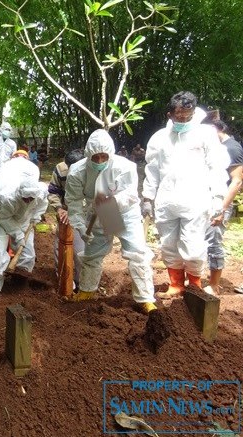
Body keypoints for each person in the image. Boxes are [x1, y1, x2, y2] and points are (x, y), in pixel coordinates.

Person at [142, 91, 230, 298]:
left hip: (195, 200)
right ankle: (176, 284)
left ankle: (194, 285)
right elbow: (152, 169)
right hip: (166, 201)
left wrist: (218, 201)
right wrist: (148, 198)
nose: (182, 119)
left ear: (193, 113)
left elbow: (216, 168)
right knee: (168, 245)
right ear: (169, 114)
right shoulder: (160, 138)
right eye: (178, 116)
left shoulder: (205, 134)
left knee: (193, 247)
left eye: (187, 116)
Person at [65, 129, 157, 313]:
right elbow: (73, 201)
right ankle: (87, 290)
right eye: (95, 157)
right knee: (92, 255)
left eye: (103, 157)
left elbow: (131, 194)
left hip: (124, 213)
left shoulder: (125, 167)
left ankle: (145, 298)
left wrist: (111, 201)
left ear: (111, 153)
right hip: (96, 214)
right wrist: (80, 225)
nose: (99, 161)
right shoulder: (77, 171)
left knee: (137, 253)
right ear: (88, 154)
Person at [0, 178, 49, 295]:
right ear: (20, 193)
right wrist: (19, 236)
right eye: (26, 198)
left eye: (31, 198)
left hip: (24, 220)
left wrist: (37, 216)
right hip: (1, 219)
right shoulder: (6, 198)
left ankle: (19, 283)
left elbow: (43, 202)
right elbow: (4, 219)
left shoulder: (41, 191)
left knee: (29, 254)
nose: (28, 201)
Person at [202, 120, 243, 294]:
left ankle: (214, 285)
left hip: (219, 204)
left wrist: (222, 208)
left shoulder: (231, 148)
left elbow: (237, 181)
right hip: (206, 200)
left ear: (217, 129)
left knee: (213, 241)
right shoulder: (214, 147)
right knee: (202, 241)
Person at [48, 148, 85, 288]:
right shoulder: (60, 169)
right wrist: (59, 209)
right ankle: (64, 279)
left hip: (85, 212)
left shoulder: (94, 172)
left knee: (82, 250)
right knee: (61, 244)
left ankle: (82, 282)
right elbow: (53, 191)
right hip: (66, 211)